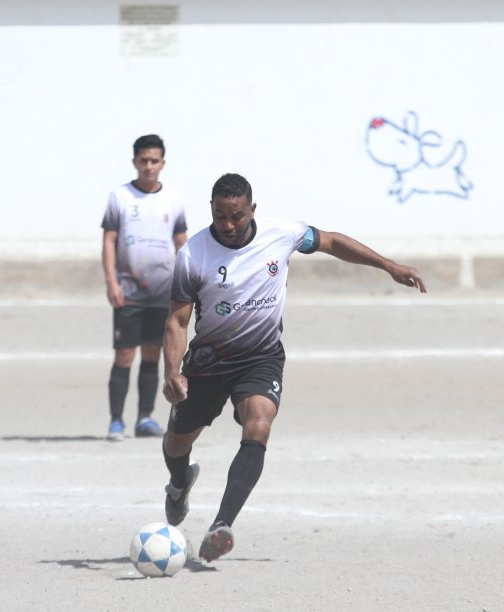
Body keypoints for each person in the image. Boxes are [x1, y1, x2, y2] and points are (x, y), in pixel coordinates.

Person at [160, 173, 426, 563]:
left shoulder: (282, 233)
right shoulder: (193, 255)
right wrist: (172, 371)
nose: (228, 225)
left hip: (260, 357)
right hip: (208, 363)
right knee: (177, 443)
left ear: (252, 209)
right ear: (211, 212)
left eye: (236, 215)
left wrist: (387, 265)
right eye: (220, 216)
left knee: (259, 424)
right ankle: (180, 482)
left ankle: (222, 524)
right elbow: (178, 322)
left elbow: (331, 241)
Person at [100, 134, 188, 441]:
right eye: (143, 160)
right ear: (135, 162)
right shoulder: (120, 197)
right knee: (124, 354)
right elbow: (109, 240)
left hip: (162, 291)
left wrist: (189, 284)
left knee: (153, 354)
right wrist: (111, 281)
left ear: (162, 163)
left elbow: (181, 244)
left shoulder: (174, 200)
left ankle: (145, 418)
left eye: (154, 161)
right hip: (129, 290)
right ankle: (115, 421)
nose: (149, 166)